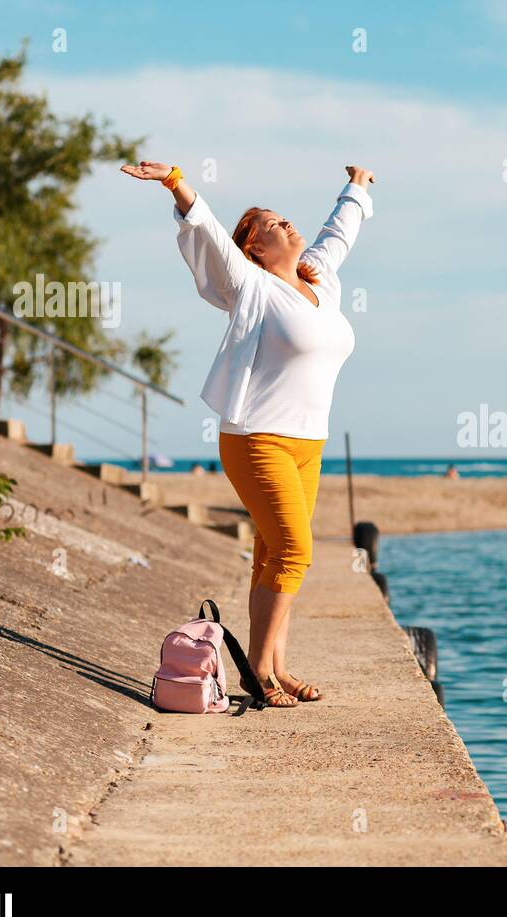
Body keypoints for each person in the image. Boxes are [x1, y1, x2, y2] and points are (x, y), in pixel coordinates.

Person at [122, 159, 376, 708]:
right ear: (255, 247)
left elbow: (338, 234)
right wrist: (176, 183)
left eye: (284, 218)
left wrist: (355, 187)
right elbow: (210, 233)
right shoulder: (250, 285)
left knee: (272, 554)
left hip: (310, 443)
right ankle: (258, 668)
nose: (286, 224)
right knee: (294, 550)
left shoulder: (319, 283)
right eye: (271, 224)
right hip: (257, 439)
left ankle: (275, 666)